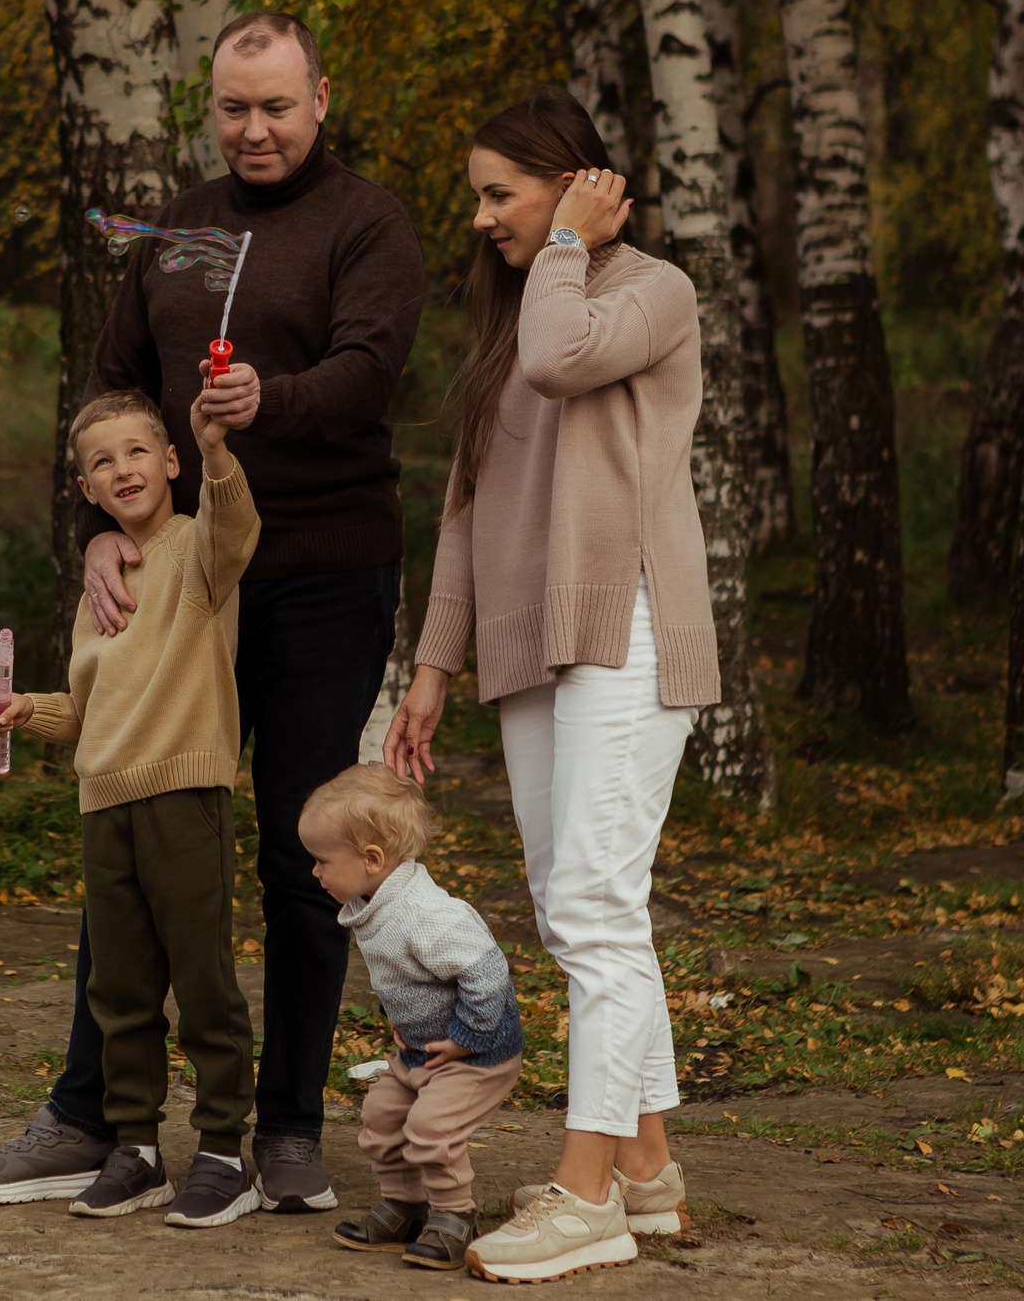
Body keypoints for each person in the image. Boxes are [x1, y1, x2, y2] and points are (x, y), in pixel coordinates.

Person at [0, 9, 427, 1214]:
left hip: (319, 574)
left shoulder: (366, 221)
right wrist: (103, 529)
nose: (253, 129)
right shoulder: (177, 233)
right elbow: (112, 387)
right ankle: (85, 1115)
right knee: (134, 828)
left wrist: (271, 398)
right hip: (174, 590)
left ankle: (287, 1130)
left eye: (274, 105)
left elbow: (372, 375)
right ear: (207, 108)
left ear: (322, 96)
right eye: (231, 108)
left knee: (298, 856)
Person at [384, 88, 718, 1285]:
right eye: (475, 195)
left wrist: (570, 240)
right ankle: (648, 1171)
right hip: (527, 646)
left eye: (499, 193)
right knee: (578, 904)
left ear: (574, 185)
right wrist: (431, 669)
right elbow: (464, 515)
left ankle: (584, 1199)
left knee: (590, 904)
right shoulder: (512, 322)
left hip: (627, 625)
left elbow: (563, 359)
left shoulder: (645, 291)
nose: (479, 217)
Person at [0, 386, 264, 1227]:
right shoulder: (99, 586)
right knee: (121, 989)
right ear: (88, 492)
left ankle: (222, 1151)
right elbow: (86, 706)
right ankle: (136, 1150)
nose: (123, 468)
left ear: (169, 460)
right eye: (102, 462)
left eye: (138, 451)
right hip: (104, 804)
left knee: (204, 981)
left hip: (183, 795)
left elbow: (237, 524)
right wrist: (28, 710)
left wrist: (216, 449)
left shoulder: (201, 554)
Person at [307, 764, 523, 1272]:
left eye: (320, 861)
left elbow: (487, 973)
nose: (314, 872)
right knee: (382, 1117)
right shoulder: (375, 901)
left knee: (430, 1129)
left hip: (476, 1055)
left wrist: (467, 1037)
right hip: (420, 1050)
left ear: (372, 858)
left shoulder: (427, 915)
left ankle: (455, 1216)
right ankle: (405, 1206)